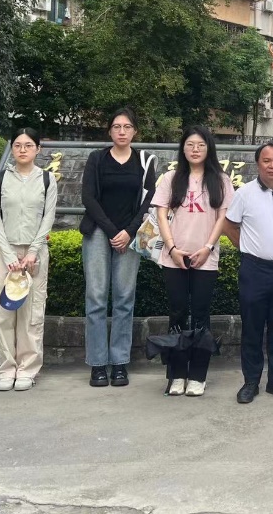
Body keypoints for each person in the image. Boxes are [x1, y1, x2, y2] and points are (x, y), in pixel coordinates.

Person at [152, 125, 234, 397]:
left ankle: (198, 375)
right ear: (183, 149)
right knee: (176, 313)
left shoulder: (221, 180)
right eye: (190, 144)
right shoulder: (171, 178)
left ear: (209, 148)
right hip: (174, 256)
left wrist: (208, 247)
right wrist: (172, 248)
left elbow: (223, 217)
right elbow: (161, 215)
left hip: (205, 257)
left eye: (200, 145)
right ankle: (176, 374)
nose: (195, 149)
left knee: (201, 315)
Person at [80, 108, 157, 388]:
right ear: (109, 131)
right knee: (96, 297)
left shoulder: (145, 161)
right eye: (116, 126)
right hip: (99, 233)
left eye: (127, 127)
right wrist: (113, 232)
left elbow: (149, 201)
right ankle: (98, 363)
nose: (121, 131)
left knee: (124, 298)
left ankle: (120, 362)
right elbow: (88, 197)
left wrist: (129, 231)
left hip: (130, 235)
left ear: (135, 131)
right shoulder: (97, 159)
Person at [224, 141, 273, 404]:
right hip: (254, 270)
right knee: (252, 328)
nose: (272, 166)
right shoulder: (244, 193)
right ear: (258, 163)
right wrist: (247, 248)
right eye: (267, 161)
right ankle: (251, 382)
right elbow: (229, 226)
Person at [0, 128, 58, 392]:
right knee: (4, 312)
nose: (23, 150)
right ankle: (6, 368)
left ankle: (27, 369)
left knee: (31, 314)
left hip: (34, 253)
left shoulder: (47, 180)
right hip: (5, 251)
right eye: (17, 145)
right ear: (12, 148)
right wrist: (8, 255)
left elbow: (48, 217)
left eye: (28, 145)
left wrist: (33, 252)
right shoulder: (0, 179)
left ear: (38, 149)